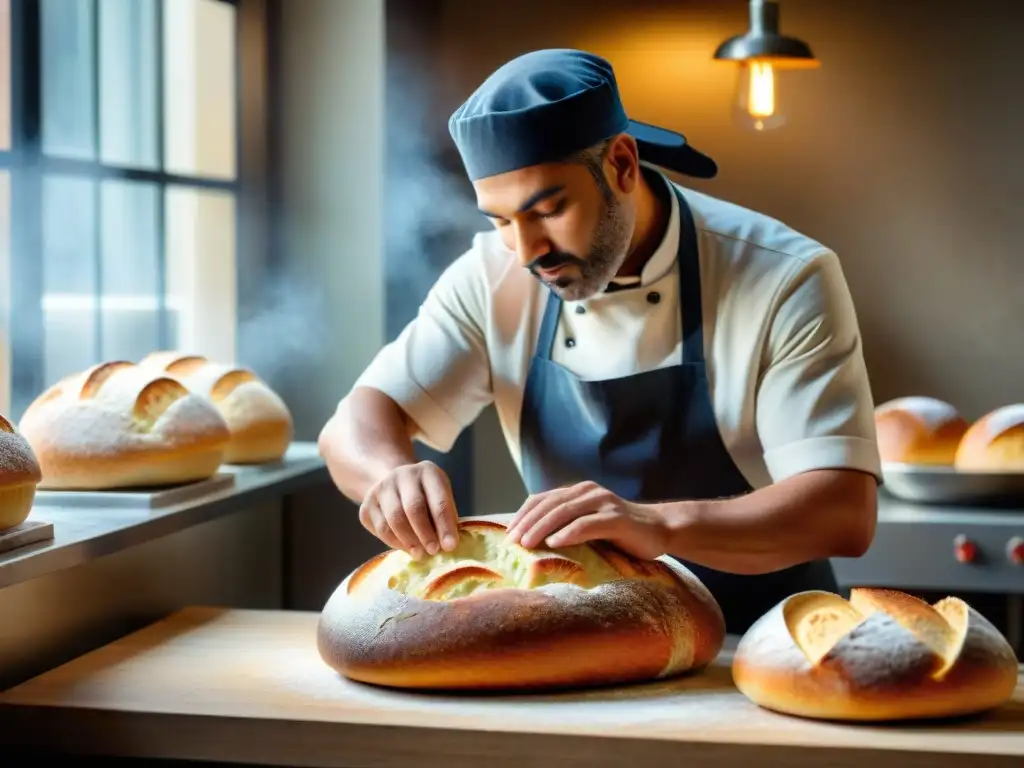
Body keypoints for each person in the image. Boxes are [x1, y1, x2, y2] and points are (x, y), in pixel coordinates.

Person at [319, 48, 881, 634]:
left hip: (764, 640)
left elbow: (841, 512)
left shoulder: (784, 276)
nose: (527, 250)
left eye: (550, 209)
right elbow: (353, 424)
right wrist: (389, 477)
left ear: (621, 164)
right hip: (583, 643)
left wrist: (657, 527)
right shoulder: (493, 273)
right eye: (501, 220)